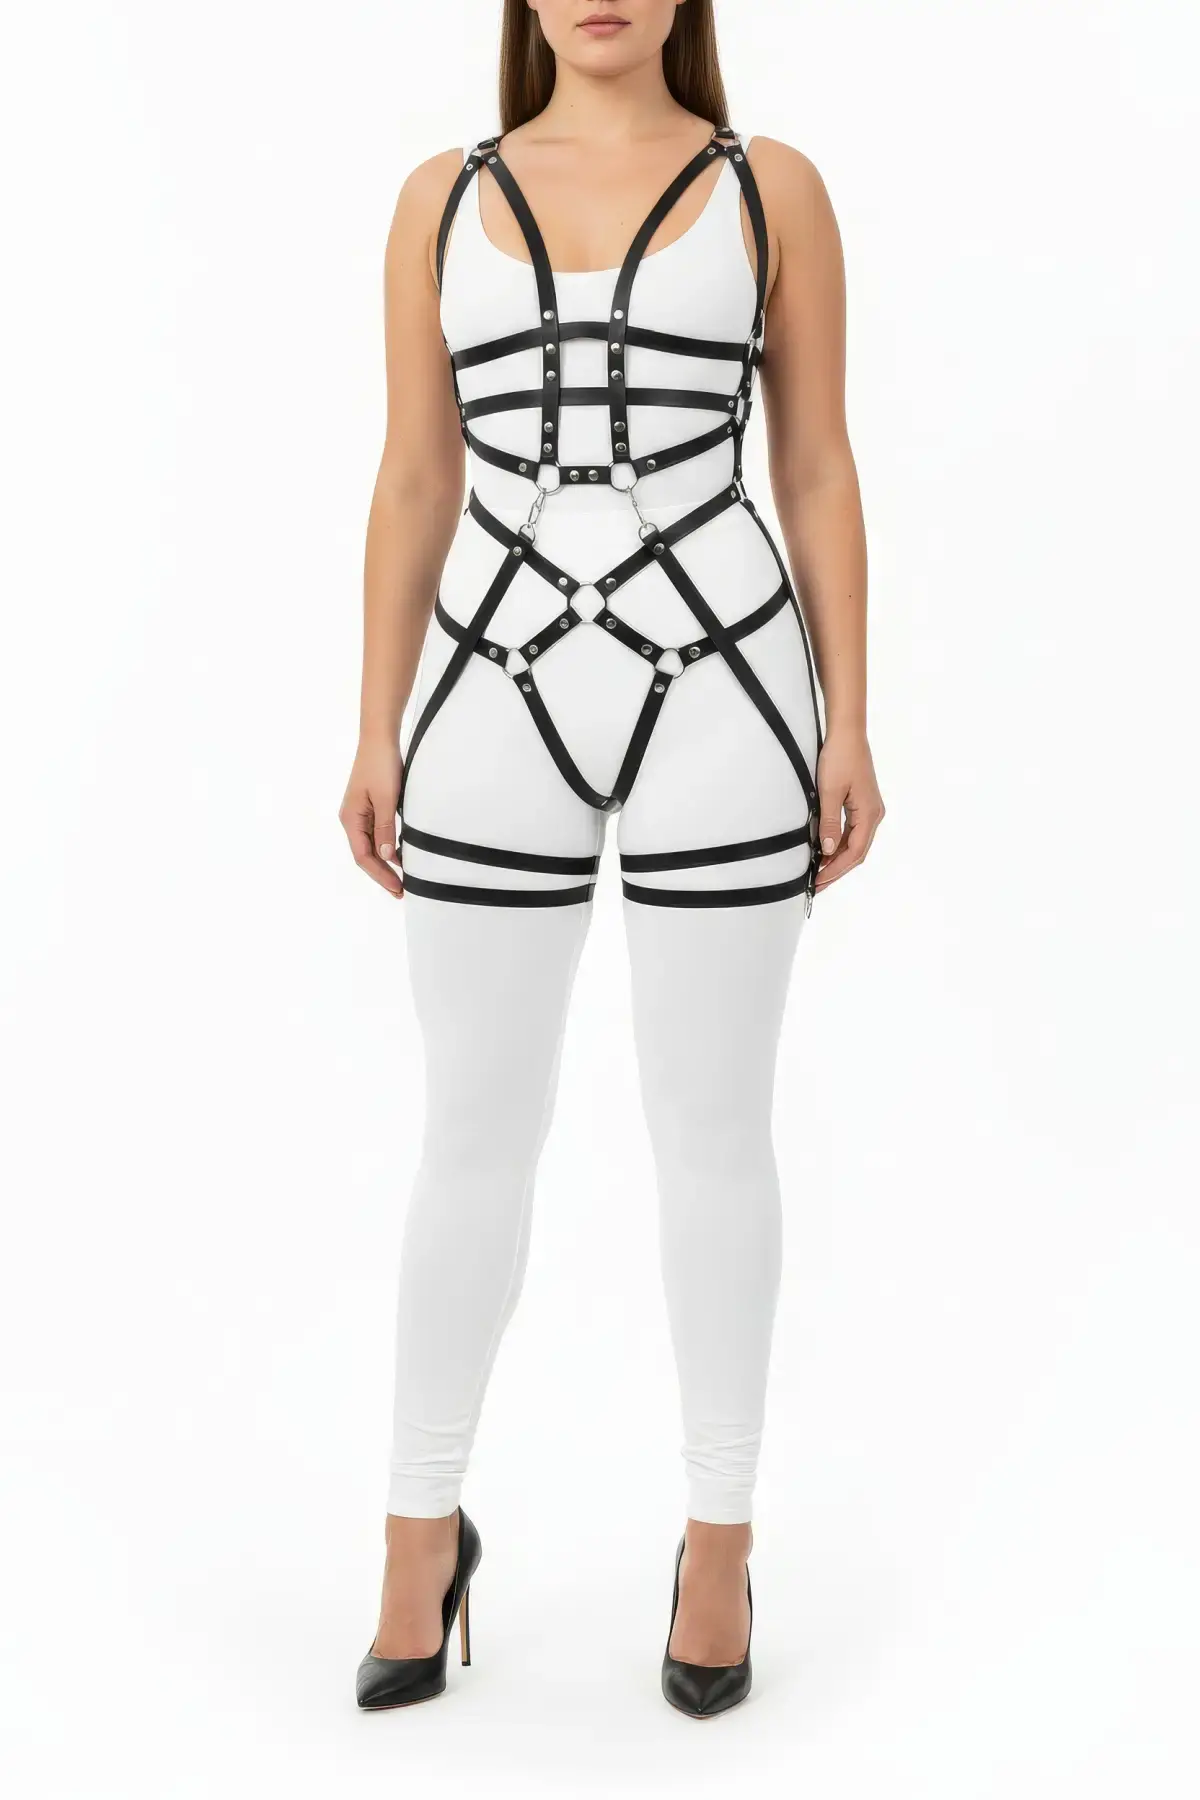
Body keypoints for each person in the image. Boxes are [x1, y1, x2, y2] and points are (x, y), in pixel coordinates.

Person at [339, 0, 883, 1719]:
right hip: (486, 697)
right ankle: (417, 1532)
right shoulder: (439, 197)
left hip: (730, 694)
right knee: (472, 1136)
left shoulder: (771, 186)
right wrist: (375, 728)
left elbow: (815, 466)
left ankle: (719, 1538)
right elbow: (415, 478)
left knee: (713, 1134)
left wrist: (850, 722)